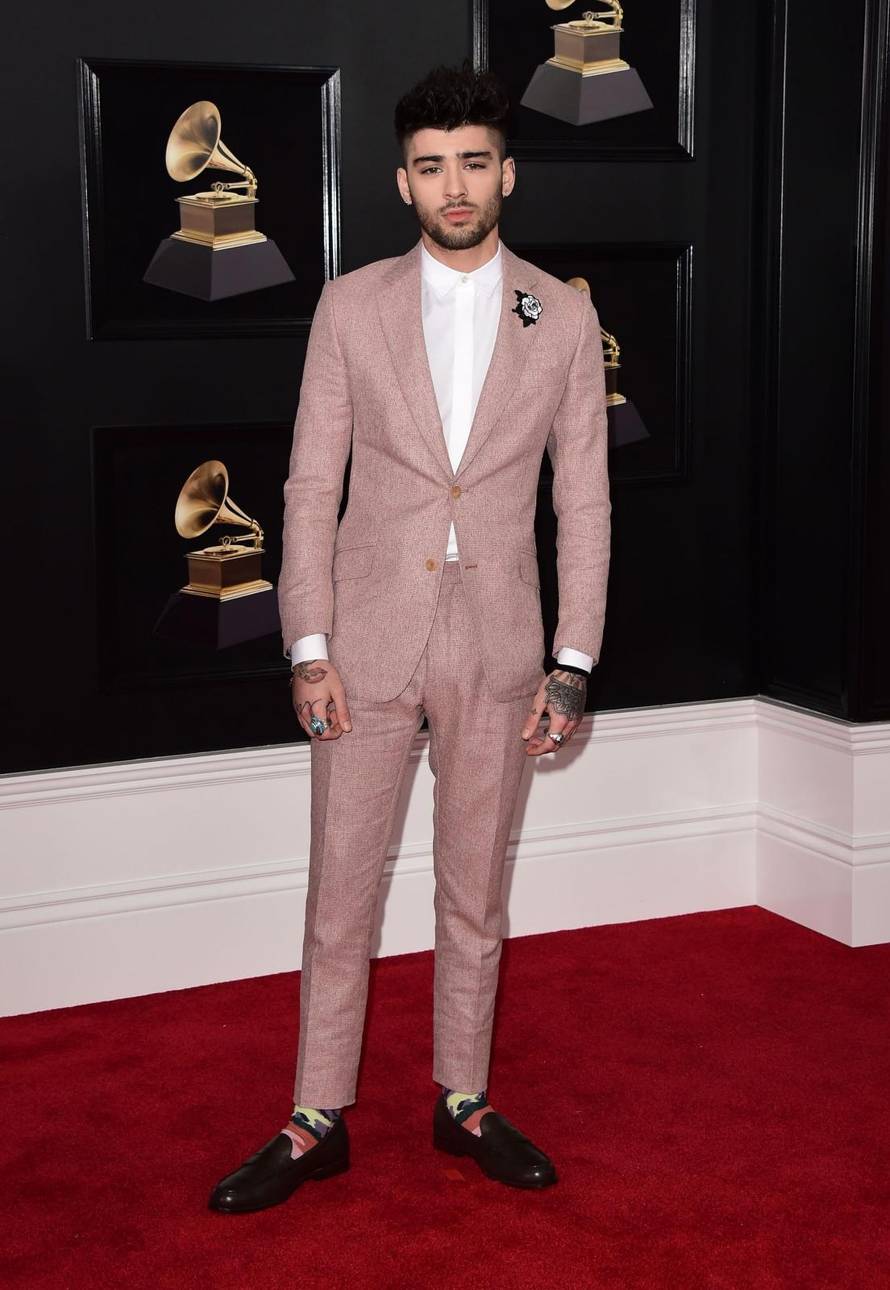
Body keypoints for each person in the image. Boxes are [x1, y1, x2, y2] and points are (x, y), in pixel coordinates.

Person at [209, 59, 611, 1213]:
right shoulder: (349, 304)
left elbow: (580, 499)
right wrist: (306, 644)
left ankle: (460, 1100)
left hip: (499, 645)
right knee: (341, 889)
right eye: (431, 166)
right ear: (401, 180)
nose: (453, 185)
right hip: (366, 644)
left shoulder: (565, 314)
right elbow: (303, 485)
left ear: (507, 173)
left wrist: (570, 663)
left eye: (473, 163)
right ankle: (313, 1117)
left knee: (473, 890)